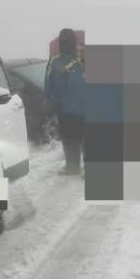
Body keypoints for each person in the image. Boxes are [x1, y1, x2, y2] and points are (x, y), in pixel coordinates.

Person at [44, 28, 86, 175]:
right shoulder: (82, 60)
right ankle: (80, 168)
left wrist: (51, 101)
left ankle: (75, 167)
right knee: (78, 139)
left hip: (69, 110)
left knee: (73, 140)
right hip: (77, 109)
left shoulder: (55, 62)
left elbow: (48, 86)